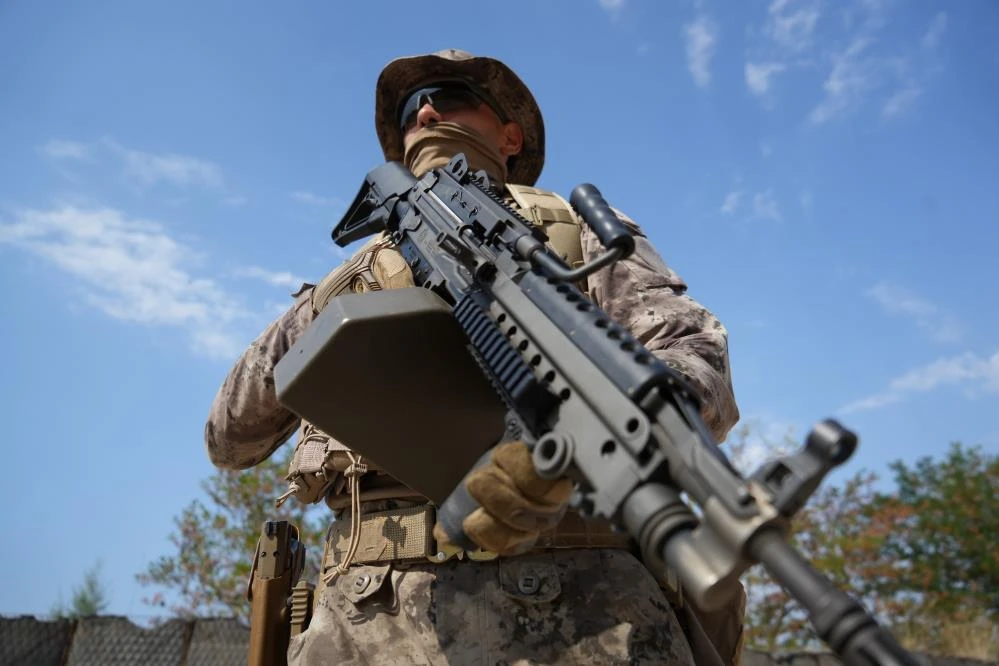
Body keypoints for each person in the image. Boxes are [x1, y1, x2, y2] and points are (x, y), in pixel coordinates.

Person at [206, 48, 744, 665]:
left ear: (510, 136)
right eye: (410, 110)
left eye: (452, 98)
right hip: (365, 619)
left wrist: (577, 437)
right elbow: (229, 438)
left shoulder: (572, 230)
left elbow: (698, 359)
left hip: (587, 614)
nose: (425, 113)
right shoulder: (350, 280)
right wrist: (325, 307)